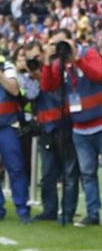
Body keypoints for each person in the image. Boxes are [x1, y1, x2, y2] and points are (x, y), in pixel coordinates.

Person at [41, 30, 102, 229]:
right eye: (56, 43)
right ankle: (92, 213)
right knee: (87, 173)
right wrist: (47, 61)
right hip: (80, 128)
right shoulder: (58, 64)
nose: (61, 47)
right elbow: (47, 85)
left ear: (73, 40)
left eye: (64, 42)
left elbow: (99, 76)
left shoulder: (90, 54)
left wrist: (77, 58)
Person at [23, 38, 79, 225]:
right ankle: (50, 210)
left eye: (37, 56)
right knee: (48, 173)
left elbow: (57, 94)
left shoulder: (58, 67)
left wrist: (45, 69)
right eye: (31, 58)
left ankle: (68, 212)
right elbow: (31, 95)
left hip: (64, 124)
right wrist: (34, 75)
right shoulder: (31, 76)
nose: (35, 61)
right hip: (46, 127)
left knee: (69, 173)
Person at [0, 45, 30, 224]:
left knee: (16, 168)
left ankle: (22, 208)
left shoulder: (7, 66)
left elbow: (14, 89)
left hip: (7, 126)